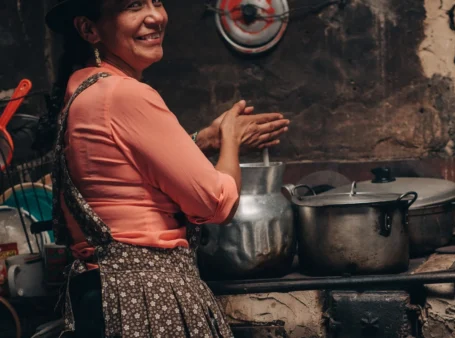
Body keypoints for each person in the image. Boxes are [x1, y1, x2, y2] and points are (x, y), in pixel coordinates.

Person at [43, 0, 290, 337]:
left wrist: (203, 140)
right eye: (133, 6)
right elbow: (218, 203)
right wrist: (231, 136)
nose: (155, 17)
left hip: (103, 292)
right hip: (144, 295)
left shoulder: (83, 89)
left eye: (156, 1)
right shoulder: (125, 95)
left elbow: (123, 164)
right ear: (89, 29)